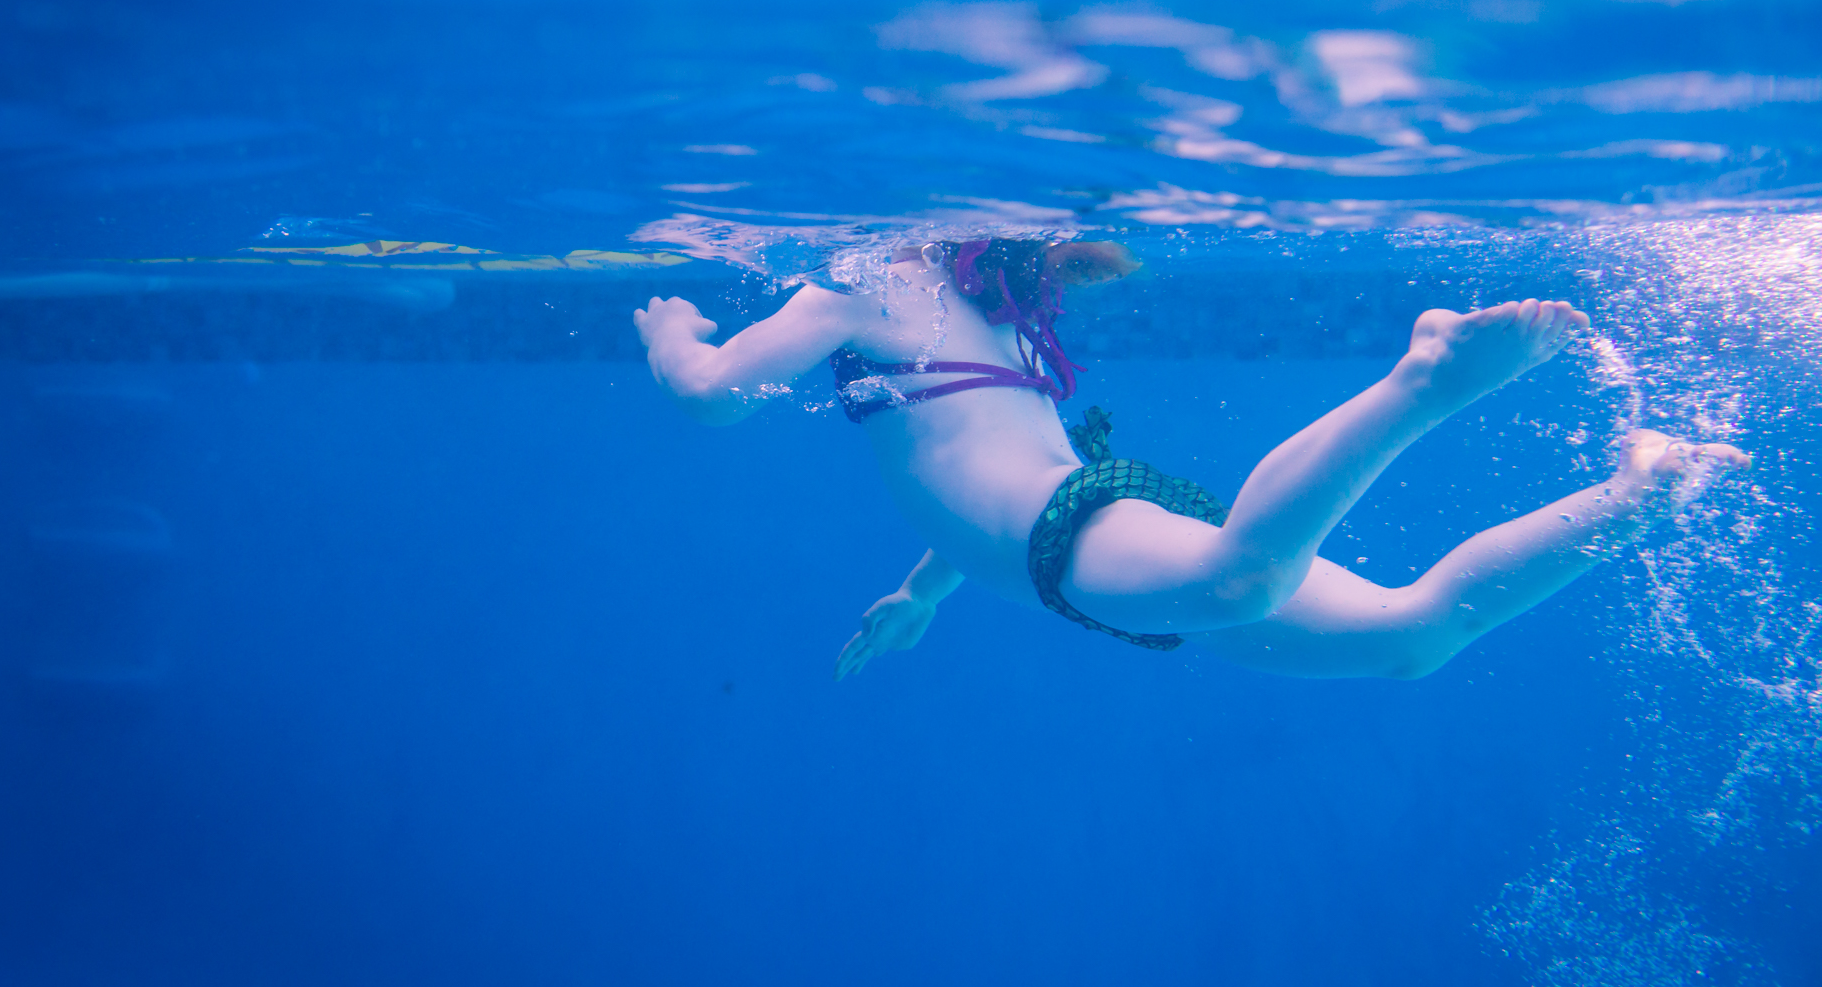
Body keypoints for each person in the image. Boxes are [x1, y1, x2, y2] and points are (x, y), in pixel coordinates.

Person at [633, 238, 1750, 681]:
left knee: (1237, 580)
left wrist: (670, 331)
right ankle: (1638, 489)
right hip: (1077, 529)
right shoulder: (992, 306)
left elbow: (710, 397)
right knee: (1409, 641)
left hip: (1077, 528)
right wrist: (930, 591)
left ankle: (1428, 381)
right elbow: (971, 468)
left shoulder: (861, 278)